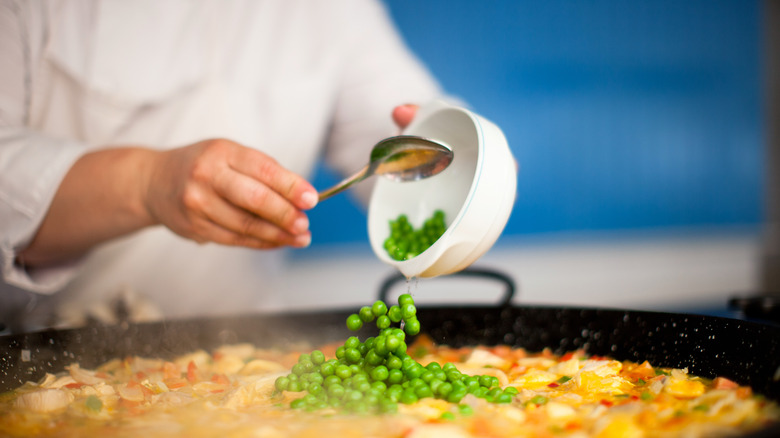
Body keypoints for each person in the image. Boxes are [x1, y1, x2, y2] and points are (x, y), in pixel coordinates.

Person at [0, 0, 443, 333]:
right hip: (47, 353)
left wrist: (460, 145)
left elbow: (401, 122)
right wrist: (145, 183)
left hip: (254, 361)